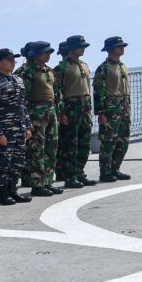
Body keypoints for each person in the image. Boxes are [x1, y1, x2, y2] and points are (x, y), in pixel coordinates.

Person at [0, 49, 33, 205]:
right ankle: (3, 193)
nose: (12, 62)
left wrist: (27, 126)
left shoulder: (18, 80)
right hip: (5, 131)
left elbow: (23, 106)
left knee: (17, 162)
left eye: (14, 60)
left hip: (19, 129)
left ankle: (13, 190)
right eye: (9, 59)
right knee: (3, 163)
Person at [18, 41, 63, 197]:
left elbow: (56, 94)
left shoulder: (49, 71)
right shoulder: (28, 72)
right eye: (45, 52)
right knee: (37, 150)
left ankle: (47, 181)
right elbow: (24, 98)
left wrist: (58, 112)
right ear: (36, 54)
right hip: (36, 114)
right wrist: (27, 121)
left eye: (49, 52)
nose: (48, 55)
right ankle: (37, 184)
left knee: (51, 148)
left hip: (50, 112)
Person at [54, 35, 96, 188]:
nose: (83, 49)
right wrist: (61, 113)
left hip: (84, 107)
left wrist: (89, 107)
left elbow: (88, 89)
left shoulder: (84, 65)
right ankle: (70, 176)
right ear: (71, 48)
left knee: (85, 143)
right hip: (70, 107)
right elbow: (57, 93)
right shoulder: (61, 67)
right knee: (70, 144)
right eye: (80, 46)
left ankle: (79, 172)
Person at [93, 36, 132, 182]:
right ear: (110, 49)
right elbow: (98, 92)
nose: (122, 48)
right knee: (108, 141)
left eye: (122, 46)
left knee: (123, 140)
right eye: (119, 46)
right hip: (111, 107)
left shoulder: (122, 65)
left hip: (124, 106)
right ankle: (105, 172)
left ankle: (116, 169)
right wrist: (101, 112)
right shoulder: (104, 68)